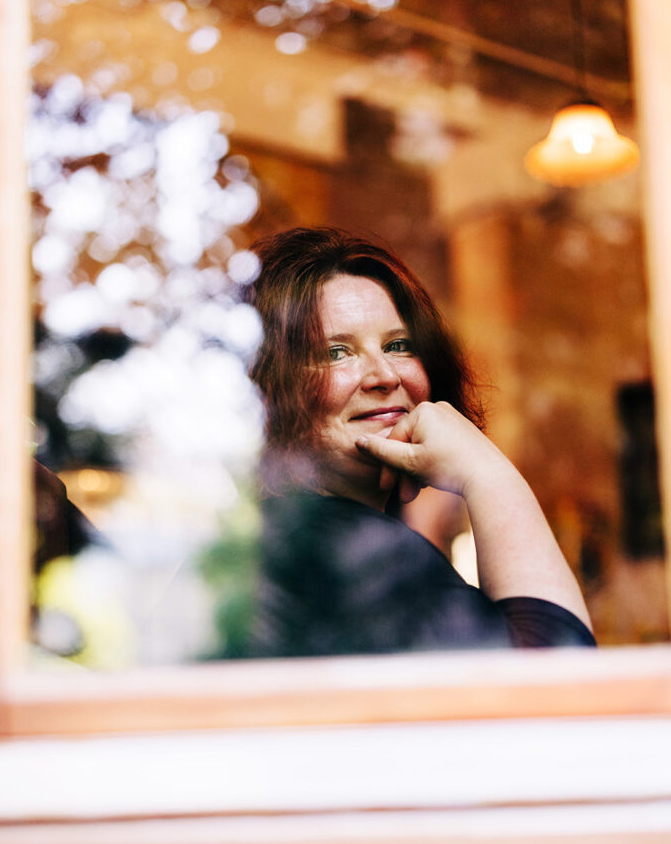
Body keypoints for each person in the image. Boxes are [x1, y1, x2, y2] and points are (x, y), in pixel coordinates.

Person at [245, 226, 595, 656]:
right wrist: (488, 473)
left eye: (398, 345)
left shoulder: (295, 538)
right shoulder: (335, 546)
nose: (385, 375)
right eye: (336, 352)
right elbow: (556, 684)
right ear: (267, 387)